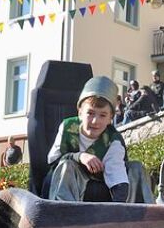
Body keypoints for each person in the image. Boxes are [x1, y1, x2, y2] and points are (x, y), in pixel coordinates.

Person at [45, 76, 151, 204]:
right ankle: (64, 215)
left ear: (110, 118)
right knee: (66, 166)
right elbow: (53, 161)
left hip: (103, 185)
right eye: (90, 113)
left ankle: (140, 217)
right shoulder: (67, 127)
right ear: (80, 112)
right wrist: (79, 156)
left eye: (102, 115)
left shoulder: (113, 139)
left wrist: (120, 203)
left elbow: (115, 169)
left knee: (136, 168)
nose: (95, 121)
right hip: (70, 184)